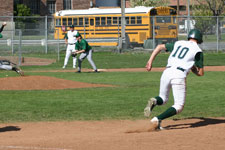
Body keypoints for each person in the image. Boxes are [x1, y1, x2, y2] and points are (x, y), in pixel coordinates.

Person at [144, 29, 204, 130]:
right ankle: (157, 119)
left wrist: (150, 61)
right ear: (199, 39)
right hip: (179, 74)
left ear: (189, 36)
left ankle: (154, 100)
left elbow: (159, 47)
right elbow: (201, 73)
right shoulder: (198, 51)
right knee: (179, 106)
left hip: (167, 72)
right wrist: (193, 68)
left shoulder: (179, 43)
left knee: (162, 99)